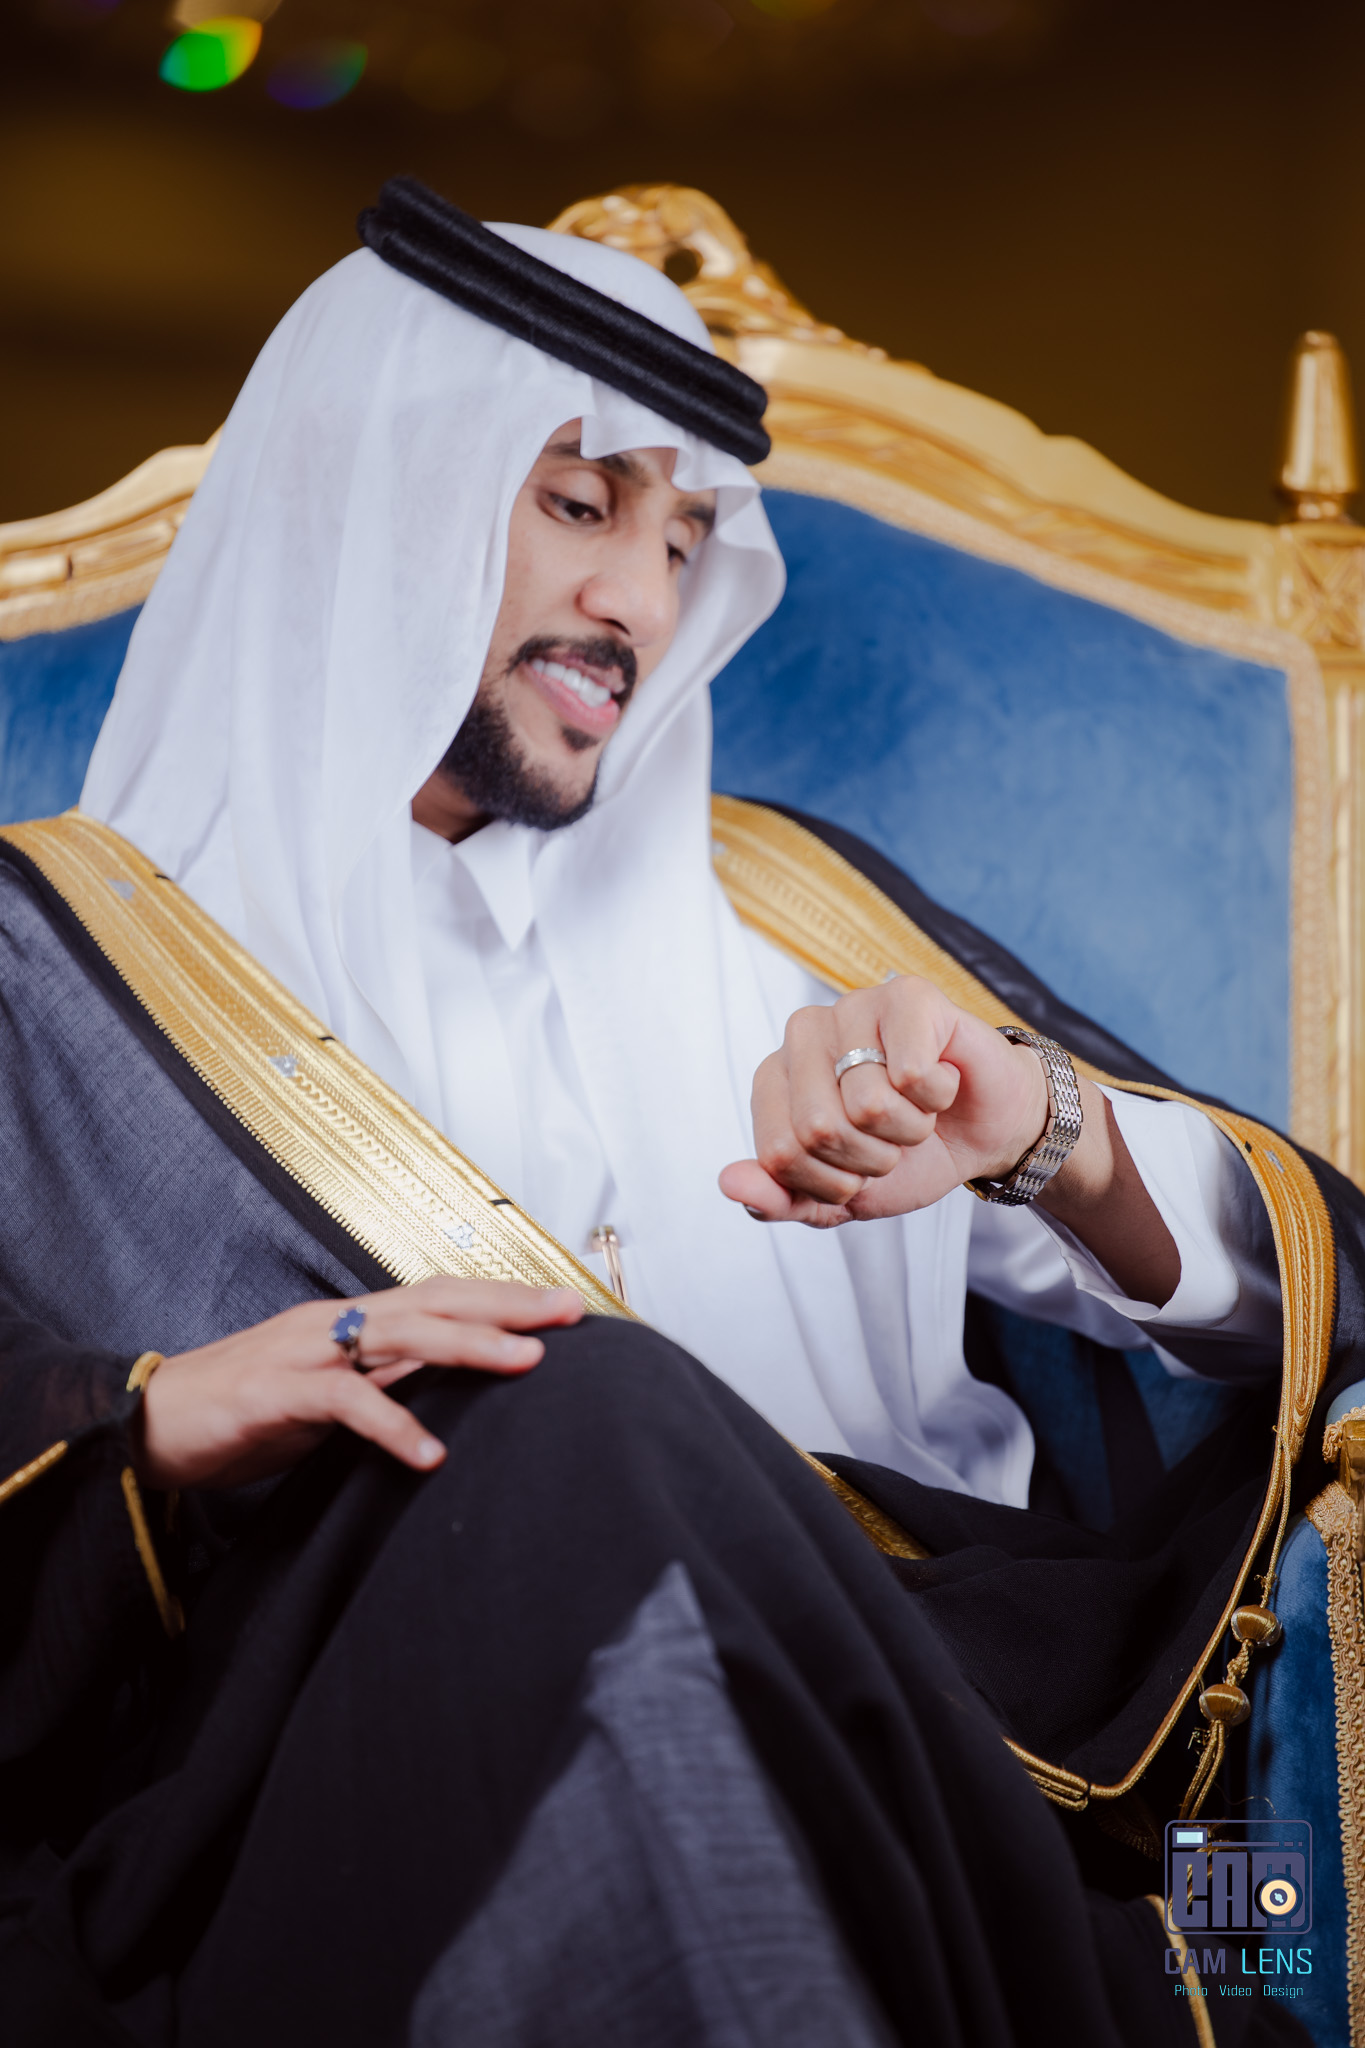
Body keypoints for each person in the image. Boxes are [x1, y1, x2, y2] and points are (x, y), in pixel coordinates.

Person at [0, 179, 1345, 2045]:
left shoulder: (795, 920)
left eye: (685, 536)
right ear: (363, 490)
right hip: (367, 1789)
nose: (637, 601)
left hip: (958, 1769)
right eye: (578, 504)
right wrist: (138, 1428)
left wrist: (1048, 1136)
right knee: (583, 1409)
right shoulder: (46, 968)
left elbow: (1325, 1296)